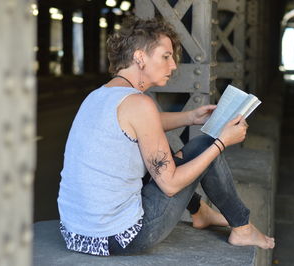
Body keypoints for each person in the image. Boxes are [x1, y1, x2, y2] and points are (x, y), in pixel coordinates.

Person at [57, 16, 275, 256]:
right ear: (140, 57)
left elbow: (141, 126)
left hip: (76, 234)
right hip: (122, 237)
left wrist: (191, 117)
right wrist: (222, 142)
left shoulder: (99, 96)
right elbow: (170, 185)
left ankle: (200, 211)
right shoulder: (139, 104)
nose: (173, 65)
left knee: (156, 149)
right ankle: (241, 227)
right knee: (204, 145)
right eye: (165, 56)